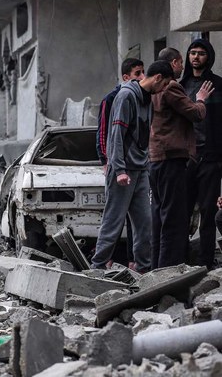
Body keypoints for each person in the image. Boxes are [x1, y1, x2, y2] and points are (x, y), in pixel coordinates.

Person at [91, 60, 171, 273]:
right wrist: (119, 170)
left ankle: (144, 271)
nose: (163, 90)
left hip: (140, 170)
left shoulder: (148, 99)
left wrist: (145, 165)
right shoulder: (126, 96)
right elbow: (115, 136)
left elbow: (144, 136)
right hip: (123, 172)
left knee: (144, 223)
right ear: (158, 78)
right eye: (164, 85)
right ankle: (96, 268)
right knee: (113, 222)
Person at [149, 47, 212, 268]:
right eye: (180, 62)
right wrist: (201, 99)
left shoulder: (152, 89)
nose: (184, 65)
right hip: (171, 159)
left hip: (156, 158)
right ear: (174, 63)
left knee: (159, 216)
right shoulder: (171, 86)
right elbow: (195, 114)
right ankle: (168, 270)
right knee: (173, 219)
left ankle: (157, 267)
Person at [95, 58, 144, 269]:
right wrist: (108, 162)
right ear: (126, 77)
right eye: (137, 73)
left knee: (140, 221)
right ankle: (101, 263)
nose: (142, 77)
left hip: (137, 167)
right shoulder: (115, 98)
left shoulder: (142, 98)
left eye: (144, 72)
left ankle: (138, 263)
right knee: (114, 218)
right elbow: (106, 133)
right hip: (119, 167)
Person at [181, 39, 222, 270]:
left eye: (201, 53)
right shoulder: (181, 85)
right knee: (182, 212)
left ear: (209, 57)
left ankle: (206, 262)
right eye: (192, 53)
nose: (196, 57)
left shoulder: (219, 85)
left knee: (208, 213)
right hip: (186, 159)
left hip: (211, 159)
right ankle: (182, 261)